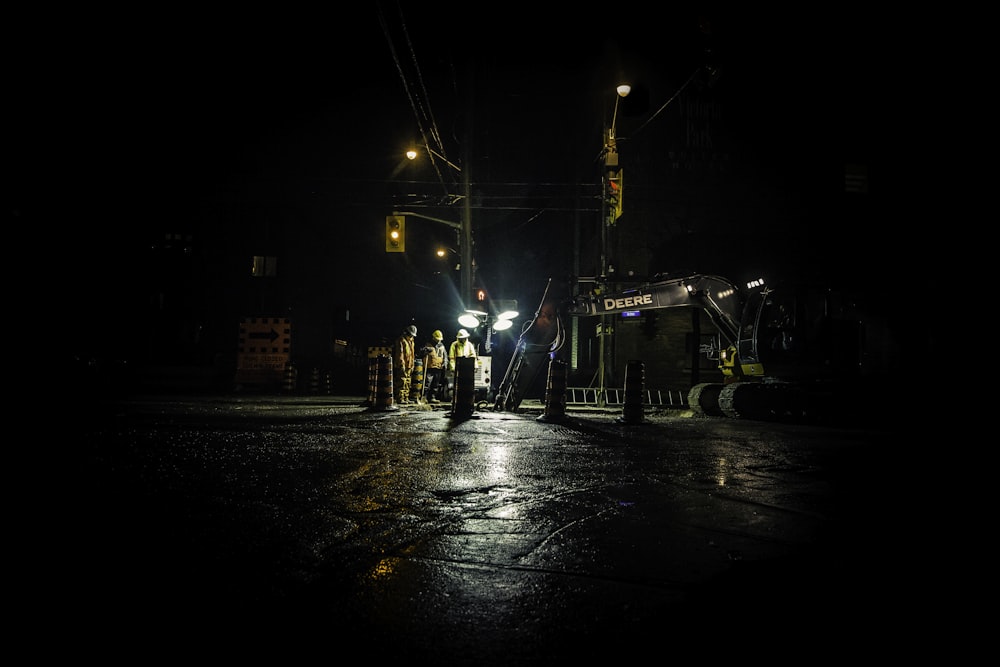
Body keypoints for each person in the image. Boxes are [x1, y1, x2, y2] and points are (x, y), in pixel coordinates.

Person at [419, 329, 447, 404]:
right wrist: (425, 350)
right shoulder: (428, 344)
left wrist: (445, 363)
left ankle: (432, 397)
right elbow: (420, 353)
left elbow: (445, 356)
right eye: (437, 339)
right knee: (427, 383)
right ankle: (424, 397)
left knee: (435, 384)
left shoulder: (442, 346)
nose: (438, 341)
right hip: (429, 367)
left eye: (439, 339)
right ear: (433, 338)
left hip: (438, 367)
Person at [392, 324, 417, 405]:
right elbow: (400, 354)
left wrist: (412, 364)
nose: (411, 336)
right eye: (410, 334)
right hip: (402, 364)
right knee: (401, 381)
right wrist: (401, 364)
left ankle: (406, 397)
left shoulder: (411, 341)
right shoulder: (401, 340)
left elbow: (412, 354)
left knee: (408, 382)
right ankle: (400, 398)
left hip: (409, 365)